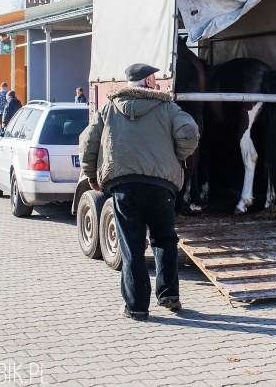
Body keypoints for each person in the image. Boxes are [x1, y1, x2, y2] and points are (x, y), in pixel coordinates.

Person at [79, 63, 200, 321]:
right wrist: (178, 156)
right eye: (154, 79)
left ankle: (136, 307)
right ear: (146, 82)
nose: (157, 83)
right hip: (161, 188)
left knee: (132, 247)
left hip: (124, 188)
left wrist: (92, 176)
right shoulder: (168, 108)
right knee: (164, 240)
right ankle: (168, 295)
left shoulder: (108, 109)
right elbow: (189, 132)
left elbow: (88, 142)